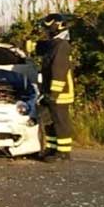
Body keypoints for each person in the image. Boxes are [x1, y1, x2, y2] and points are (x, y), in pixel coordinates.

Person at [27, 13, 74, 163]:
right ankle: (52, 148)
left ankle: (63, 153)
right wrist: (31, 43)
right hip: (49, 91)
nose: (45, 29)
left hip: (60, 93)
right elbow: (41, 47)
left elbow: (58, 71)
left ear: (58, 25)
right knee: (50, 121)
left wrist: (54, 93)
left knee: (60, 122)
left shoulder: (62, 46)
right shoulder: (54, 43)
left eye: (47, 26)